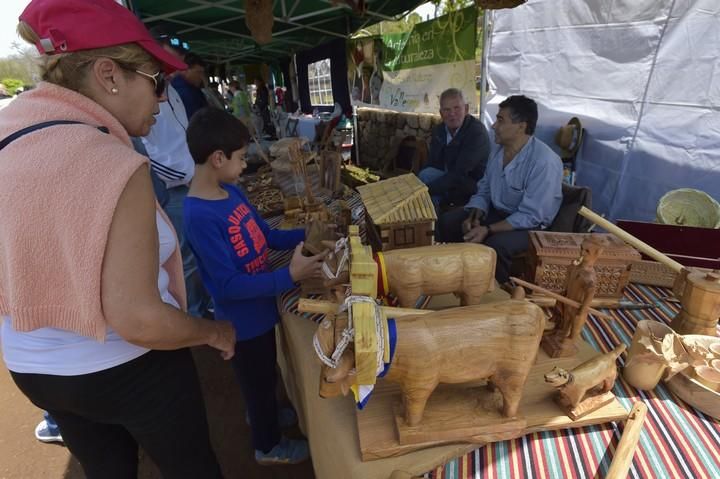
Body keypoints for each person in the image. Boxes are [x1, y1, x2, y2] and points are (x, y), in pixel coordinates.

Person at [0, 1, 235, 477]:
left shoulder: (8, 135)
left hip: (33, 368)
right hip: (127, 368)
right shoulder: (111, 161)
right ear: (109, 74)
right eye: (157, 81)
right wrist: (213, 331)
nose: (160, 99)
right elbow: (141, 321)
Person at [183, 107, 327, 465]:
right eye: (241, 157)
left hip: (262, 312)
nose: (245, 164)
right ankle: (268, 445)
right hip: (242, 324)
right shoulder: (198, 215)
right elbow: (228, 286)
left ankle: (265, 415)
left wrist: (305, 235)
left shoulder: (231, 192)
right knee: (256, 384)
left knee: (264, 377)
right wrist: (289, 277)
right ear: (218, 158)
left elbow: (265, 237)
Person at [436, 95, 563, 285]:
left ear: (521, 126)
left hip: (530, 226)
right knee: (447, 222)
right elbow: (485, 188)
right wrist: (475, 215)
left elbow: (531, 216)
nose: (494, 125)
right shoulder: (499, 151)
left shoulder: (544, 162)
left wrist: (487, 229)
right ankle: (452, 279)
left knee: (496, 246)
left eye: (501, 120)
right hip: (499, 214)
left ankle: (498, 297)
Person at [141, 42, 212, 320]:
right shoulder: (151, 88)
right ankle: (193, 313)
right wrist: (185, 173)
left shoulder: (171, 90)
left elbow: (184, 134)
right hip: (176, 187)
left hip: (194, 179)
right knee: (185, 257)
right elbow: (146, 148)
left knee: (199, 248)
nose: (177, 66)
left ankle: (204, 304)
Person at [418, 88, 491, 212]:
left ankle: (432, 215)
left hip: (473, 185)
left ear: (466, 109)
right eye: (447, 110)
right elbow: (432, 162)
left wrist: (425, 190)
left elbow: (459, 174)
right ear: (441, 113)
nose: (452, 114)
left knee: (427, 185)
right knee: (426, 174)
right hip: (449, 177)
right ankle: (431, 214)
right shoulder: (439, 130)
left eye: (457, 108)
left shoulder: (476, 132)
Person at [171, 52, 208, 119]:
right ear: (184, 70)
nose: (201, 77)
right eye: (198, 72)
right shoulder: (183, 92)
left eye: (202, 73)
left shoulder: (193, 88)